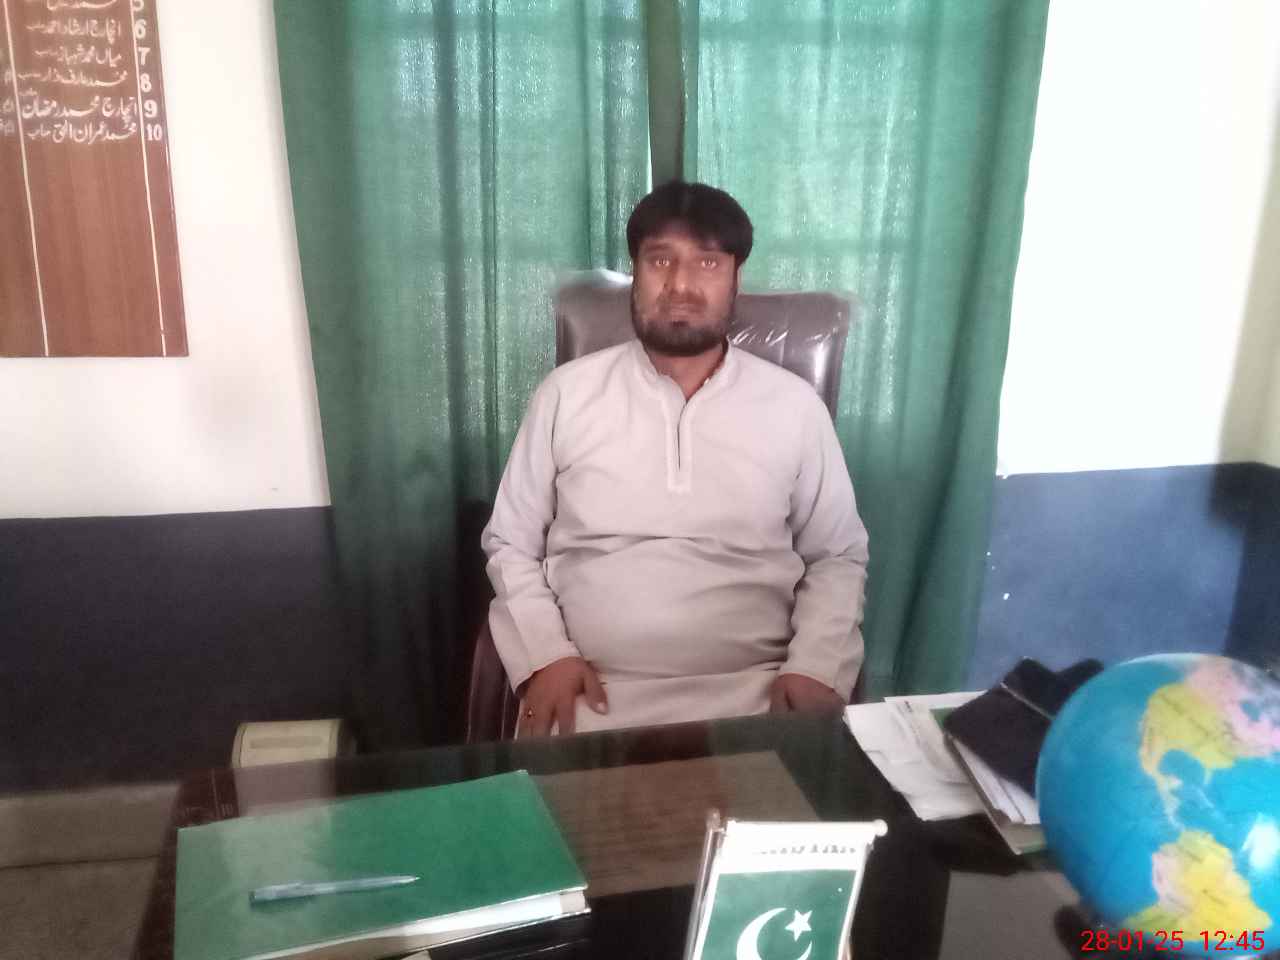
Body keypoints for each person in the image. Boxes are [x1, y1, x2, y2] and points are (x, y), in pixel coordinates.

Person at [480, 180, 869, 737]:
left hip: (760, 692)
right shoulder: (566, 394)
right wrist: (546, 655)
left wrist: (815, 665)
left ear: (736, 278)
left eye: (707, 262)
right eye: (660, 260)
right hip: (589, 689)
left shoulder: (794, 406)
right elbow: (510, 543)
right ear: (636, 273)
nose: (681, 285)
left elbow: (837, 555)